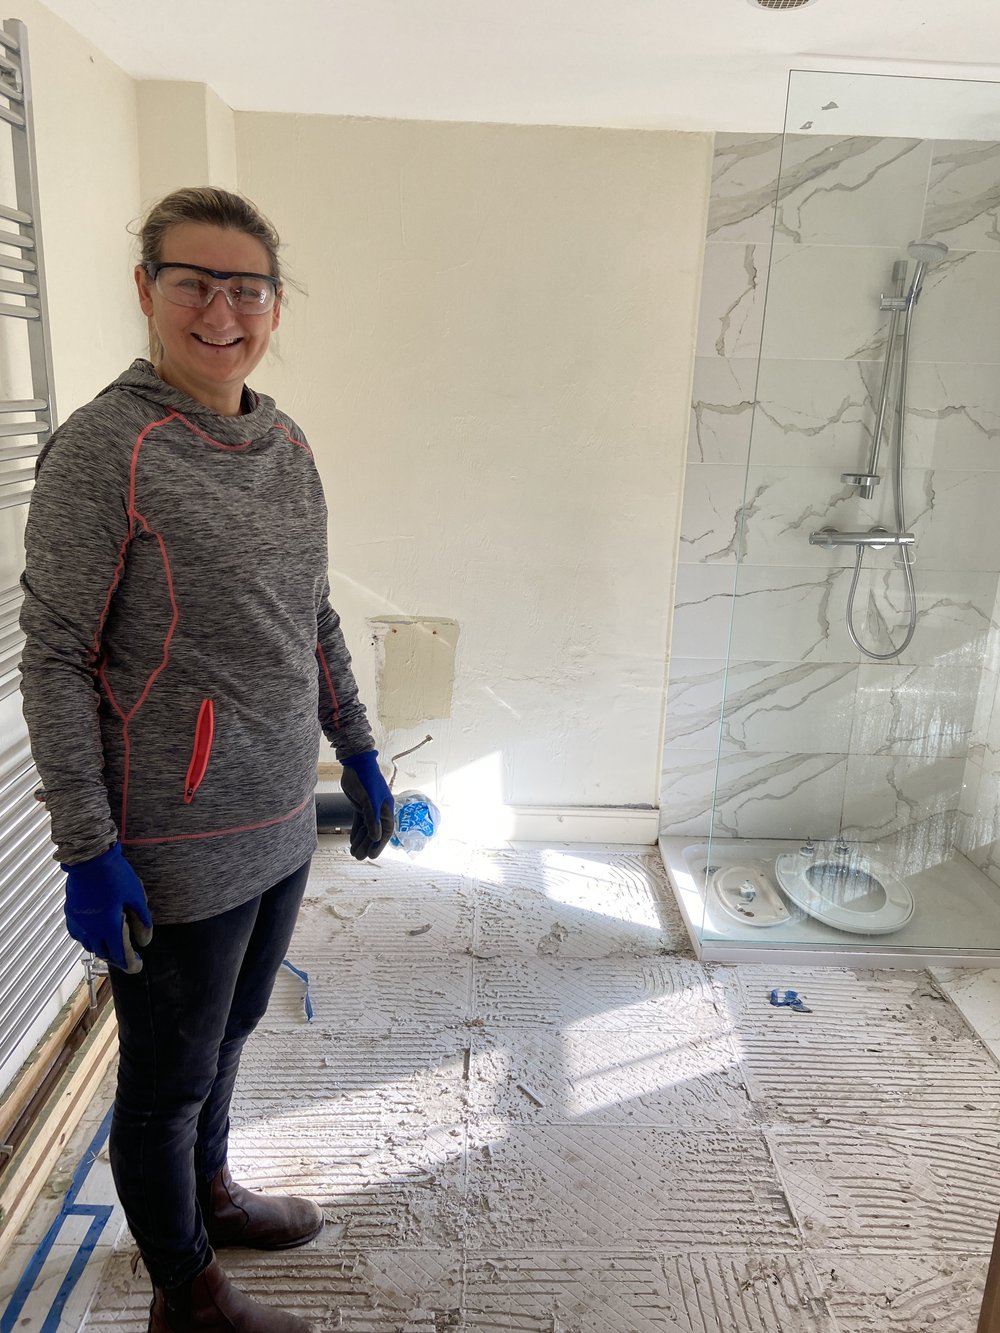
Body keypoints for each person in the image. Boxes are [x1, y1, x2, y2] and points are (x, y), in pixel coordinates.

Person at [18, 187, 394, 1332]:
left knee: (228, 1036)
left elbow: (310, 612)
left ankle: (211, 1195)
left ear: (274, 308)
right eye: (194, 281)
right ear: (147, 290)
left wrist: (359, 749)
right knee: (165, 1077)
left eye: (246, 287)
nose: (221, 309)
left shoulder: (284, 440)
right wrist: (88, 846)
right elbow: (55, 657)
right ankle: (184, 1292)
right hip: (170, 839)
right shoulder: (106, 450)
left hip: (279, 815)